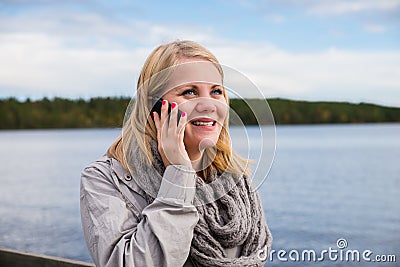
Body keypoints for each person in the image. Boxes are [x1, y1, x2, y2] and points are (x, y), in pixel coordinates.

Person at [80, 40, 272, 267]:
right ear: (154, 105)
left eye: (216, 91)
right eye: (189, 92)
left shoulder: (234, 177)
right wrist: (178, 174)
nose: (208, 104)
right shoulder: (104, 178)